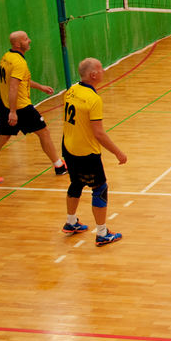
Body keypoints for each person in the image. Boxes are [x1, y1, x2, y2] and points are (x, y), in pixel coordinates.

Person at [0, 30, 68, 186]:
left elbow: (19, 81)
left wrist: (40, 87)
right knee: (44, 132)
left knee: (1, 138)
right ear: (18, 44)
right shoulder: (19, 63)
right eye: (26, 39)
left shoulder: (7, 57)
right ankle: (59, 166)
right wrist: (13, 112)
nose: (29, 40)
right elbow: (13, 87)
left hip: (6, 104)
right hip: (20, 107)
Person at [59, 57, 128, 246]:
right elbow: (98, 133)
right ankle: (102, 233)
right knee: (100, 188)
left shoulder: (71, 90)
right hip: (86, 153)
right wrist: (118, 153)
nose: (103, 71)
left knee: (76, 183)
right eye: (100, 68)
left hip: (68, 147)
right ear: (93, 74)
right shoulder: (93, 99)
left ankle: (71, 222)